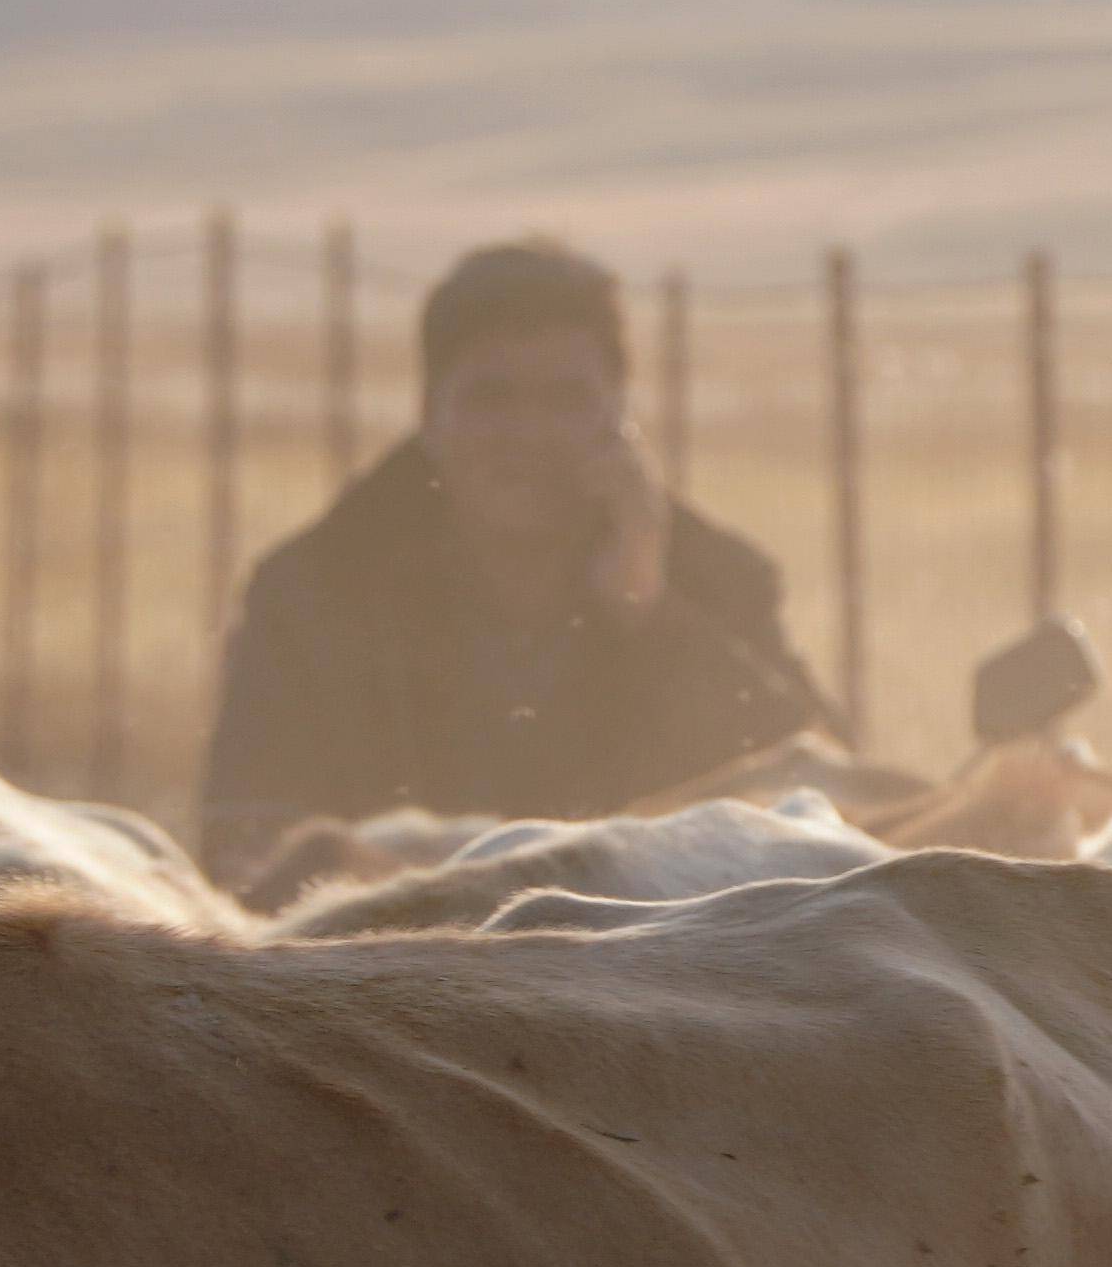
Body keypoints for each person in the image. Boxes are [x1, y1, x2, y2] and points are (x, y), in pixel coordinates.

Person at [198, 240, 830, 874]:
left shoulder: (712, 578)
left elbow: (824, 813)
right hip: (392, 952)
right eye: (491, 397)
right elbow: (243, 838)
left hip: (648, 954)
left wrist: (650, 613)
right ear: (430, 418)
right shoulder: (318, 586)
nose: (528, 434)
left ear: (620, 420)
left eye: (566, 399)